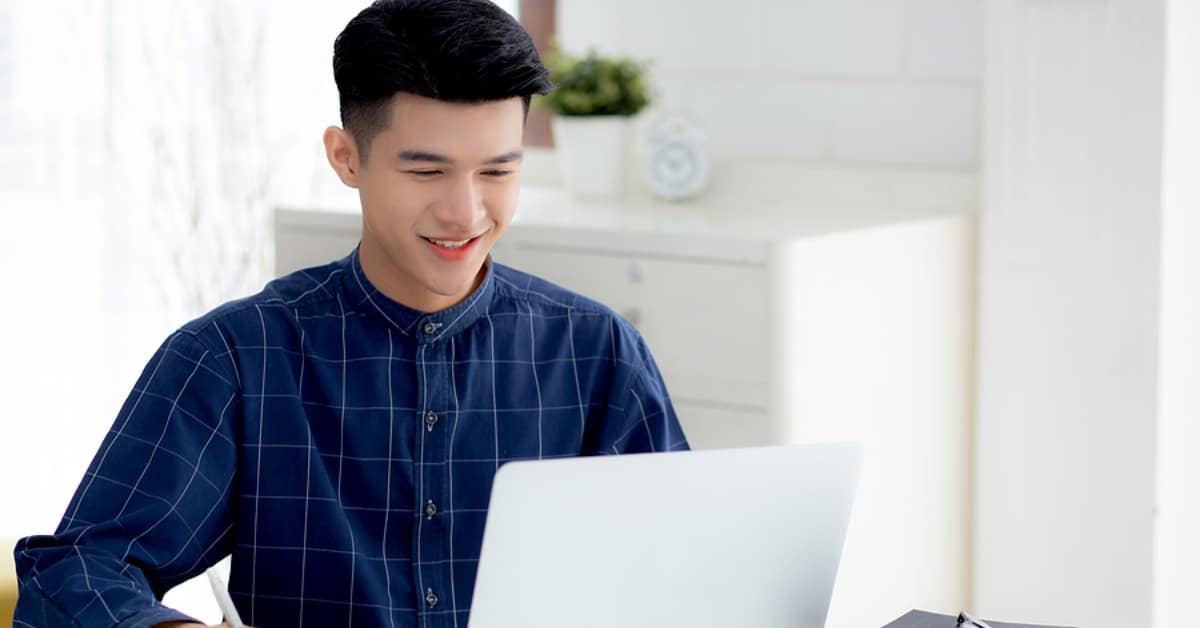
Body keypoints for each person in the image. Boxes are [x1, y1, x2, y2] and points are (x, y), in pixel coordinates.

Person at [12, 1, 689, 626]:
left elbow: (687, 572)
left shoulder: (597, 353)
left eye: (497, 171)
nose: (465, 212)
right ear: (346, 157)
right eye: (427, 172)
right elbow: (71, 572)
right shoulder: (236, 357)